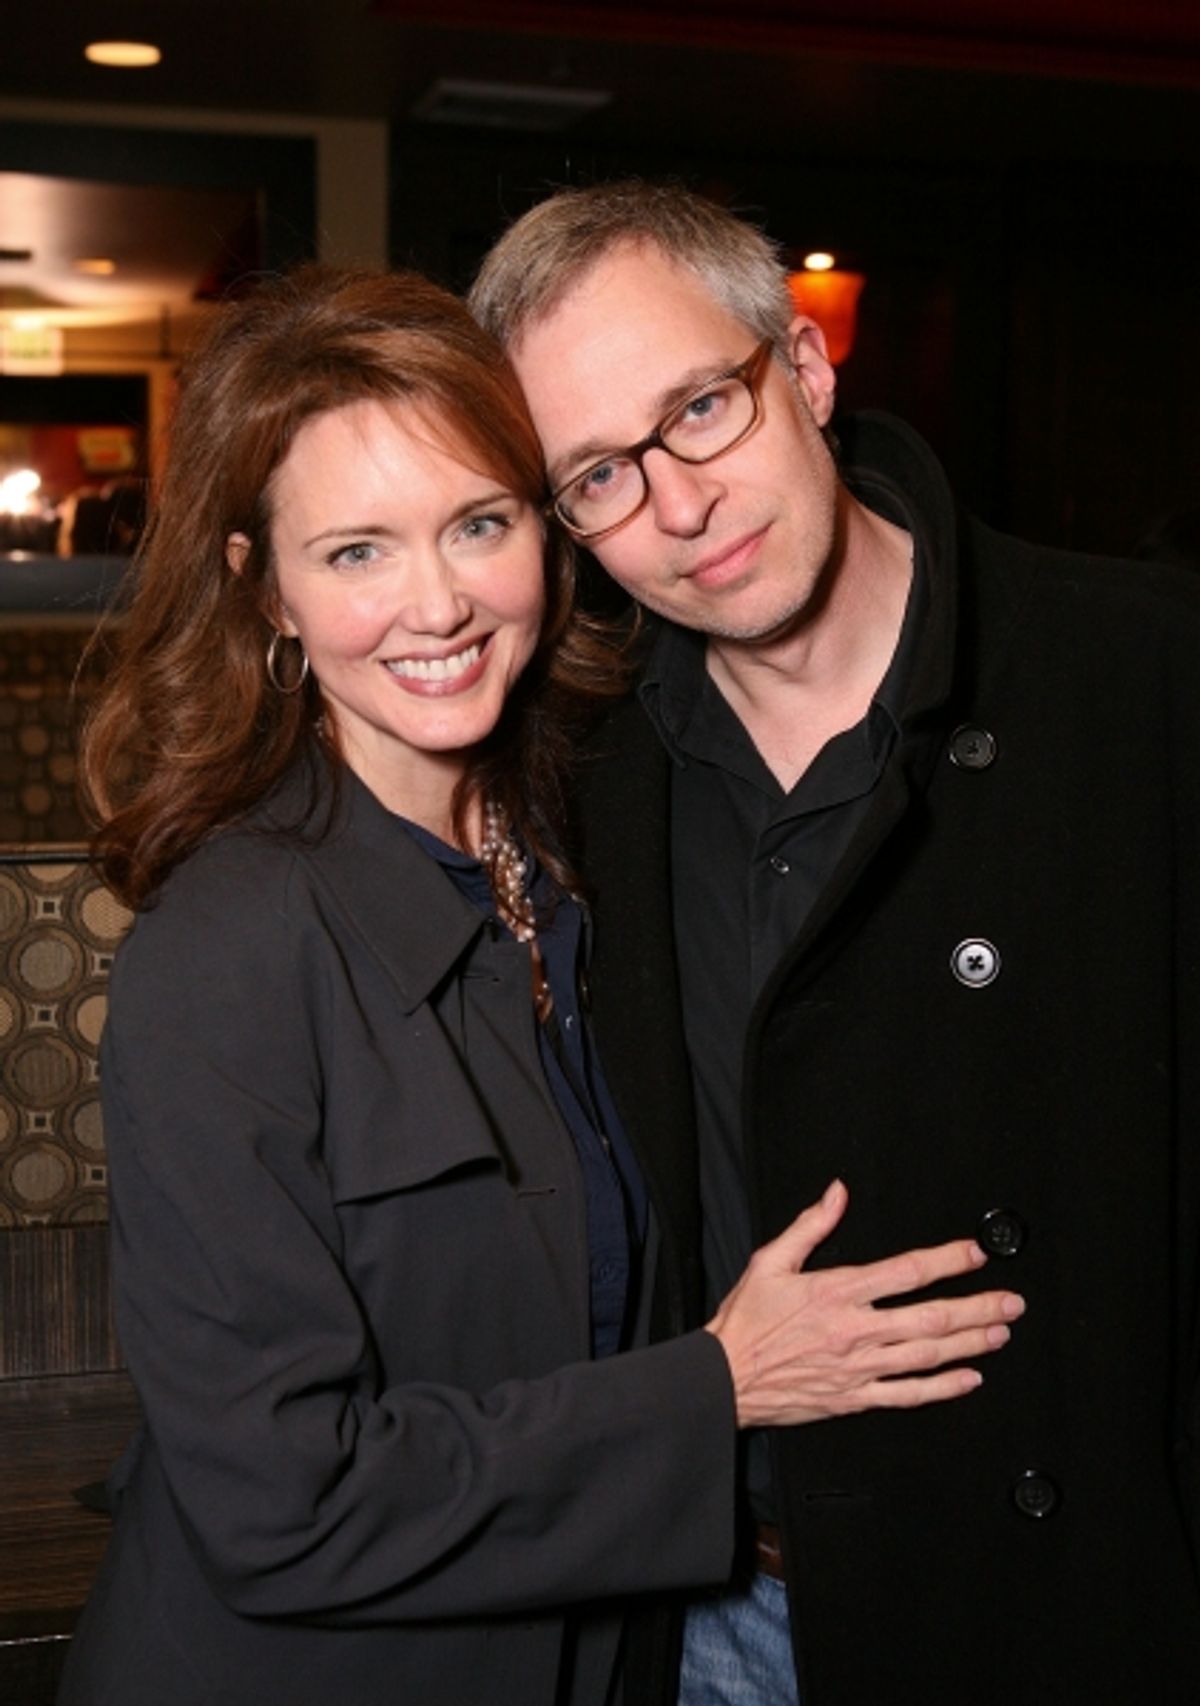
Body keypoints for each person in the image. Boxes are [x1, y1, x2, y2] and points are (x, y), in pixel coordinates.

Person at [58, 267, 1021, 1706]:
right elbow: (280, 1498)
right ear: (265, 584)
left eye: (479, 523)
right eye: (357, 551)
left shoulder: (579, 849)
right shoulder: (231, 945)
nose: (436, 603)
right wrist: (720, 1386)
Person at [470, 181, 1200, 1706]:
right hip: (722, 1621)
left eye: (699, 411)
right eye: (598, 473)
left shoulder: (1141, 677)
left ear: (803, 369)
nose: (676, 505)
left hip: (1072, 1613)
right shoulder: (577, 773)